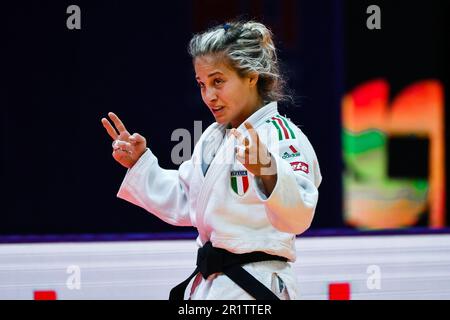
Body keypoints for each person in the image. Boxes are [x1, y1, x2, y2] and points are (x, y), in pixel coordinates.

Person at [101, 20, 322, 300]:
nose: (209, 96)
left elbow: (299, 216)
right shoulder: (213, 136)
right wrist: (141, 163)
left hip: (259, 285)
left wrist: (268, 169)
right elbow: (187, 197)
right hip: (211, 285)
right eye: (202, 84)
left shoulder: (282, 136)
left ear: (251, 76)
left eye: (218, 82)